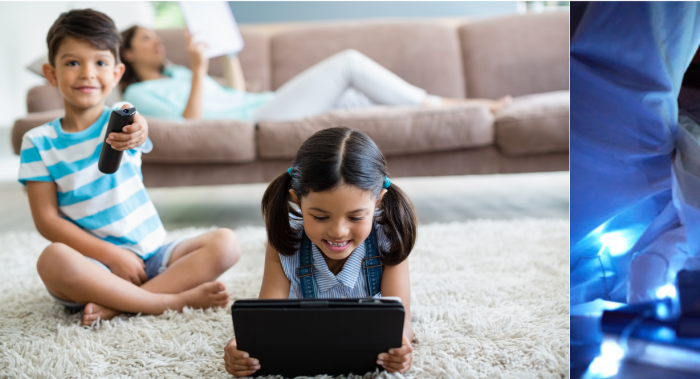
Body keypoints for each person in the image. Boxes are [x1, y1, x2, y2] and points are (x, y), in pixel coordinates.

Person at [22, 9, 241, 326]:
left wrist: (139, 128)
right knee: (53, 259)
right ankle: (169, 300)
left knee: (226, 243)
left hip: (152, 256)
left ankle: (120, 306)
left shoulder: (121, 116)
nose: (87, 73)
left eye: (100, 62)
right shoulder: (38, 142)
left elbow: (137, 122)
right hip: (95, 269)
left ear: (117, 73)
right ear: (51, 73)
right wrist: (112, 256)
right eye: (72, 62)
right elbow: (47, 220)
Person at [223, 127, 416, 376]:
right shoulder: (285, 240)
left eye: (356, 217)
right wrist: (242, 348)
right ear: (297, 200)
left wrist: (401, 344)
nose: (338, 231)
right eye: (320, 216)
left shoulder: (390, 237)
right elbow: (267, 318)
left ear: (378, 201)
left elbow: (403, 322)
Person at [117, 25, 512, 122]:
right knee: (348, 63)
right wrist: (201, 69)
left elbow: (235, 91)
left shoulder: (179, 73)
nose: (158, 44)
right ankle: (453, 105)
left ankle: (449, 111)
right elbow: (193, 121)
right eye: (147, 40)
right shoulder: (143, 95)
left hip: (260, 104)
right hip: (253, 121)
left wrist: (225, 49)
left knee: (357, 97)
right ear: (128, 53)